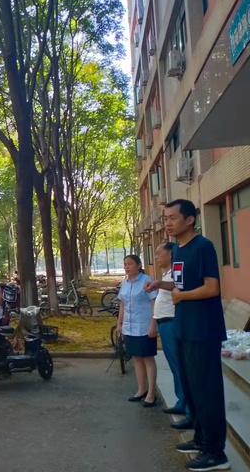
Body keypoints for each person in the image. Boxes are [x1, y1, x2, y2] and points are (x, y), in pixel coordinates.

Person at [145, 199, 229, 471]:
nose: (167, 223)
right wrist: (162, 284)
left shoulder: (203, 246)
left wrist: (182, 296)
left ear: (190, 219)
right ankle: (201, 440)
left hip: (203, 330)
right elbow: (180, 285)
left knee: (207, 391)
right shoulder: (179, 250)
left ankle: (216, 453)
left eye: (173, 218)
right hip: (184, 327)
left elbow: (211, 288)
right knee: (192, 388)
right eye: (166, 218)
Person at [153, 242, 193, 430]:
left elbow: (177, 287)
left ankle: (189, 411)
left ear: (170, 254)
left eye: (159, 253)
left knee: (180, 366)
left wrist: (159, 284)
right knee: (174, 366)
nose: (156, 257)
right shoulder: (167, 273)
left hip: (172, 322)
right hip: (164, 323)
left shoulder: (176, 274)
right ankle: (181, 402)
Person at [117, 255, 158, 407]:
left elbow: (154, 303)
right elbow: (122, 305)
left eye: (130, 264)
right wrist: (119, 323)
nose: (126, 267)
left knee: (148, 358)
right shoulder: (124, 283)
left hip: (144, 326)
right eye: (125, 264)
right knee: (136, 358)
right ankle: (142, 389)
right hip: (130, 327)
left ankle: (152, 393)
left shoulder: (147, 281)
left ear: (138, 265)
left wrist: (153, 324)